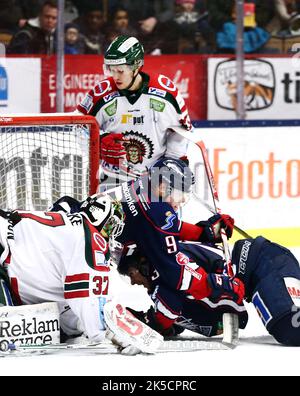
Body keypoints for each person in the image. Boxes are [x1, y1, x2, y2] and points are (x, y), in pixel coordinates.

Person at [51, 157, 242, 324]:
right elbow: (176, 272)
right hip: (77, 260)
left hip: (67, 239)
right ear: (162, 186)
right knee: (84, 320)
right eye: (179, 193)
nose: (182, 200)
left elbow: (161, 227)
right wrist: (214, 284)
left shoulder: (143, 185)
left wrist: (203, 232)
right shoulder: (157, 211)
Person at [118, 236, 300, 346]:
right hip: (261, 271)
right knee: (289, 326)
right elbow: (177, 313)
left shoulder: (170, 264)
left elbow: (171, 306)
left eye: (131, 274)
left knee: (290, 328)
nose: (133, 282)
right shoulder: (162, 286)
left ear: (143, 264)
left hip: (265, 263)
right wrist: (151, 324)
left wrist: (151, 323)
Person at [0, 196, 125, 344]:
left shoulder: (69, 231)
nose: (110, 232)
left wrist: (81, 325)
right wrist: (106, 333)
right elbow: (87, 300)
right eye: (111, 224)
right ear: (99, 214)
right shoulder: (87, 238)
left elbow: (68, 304)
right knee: (7, 331)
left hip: (5, 256)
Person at [76, 35, 192, 191]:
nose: (115, 76)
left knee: (159, 216)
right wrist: (99, 142)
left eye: (120, 71)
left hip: (156, 181)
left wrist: (170, 164)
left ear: (136, 67)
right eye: (111, 69)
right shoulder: (100, 94)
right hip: (112, 180)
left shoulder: (165, 92)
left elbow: (182, 130)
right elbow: (78, 125)